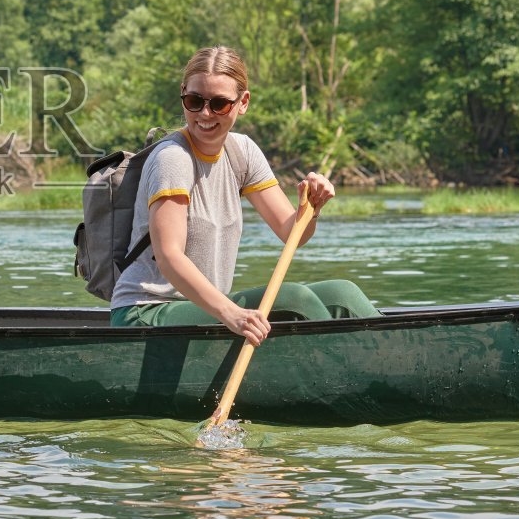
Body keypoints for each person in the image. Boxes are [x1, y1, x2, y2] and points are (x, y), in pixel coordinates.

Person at [110, 45, 379, 341]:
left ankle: (388, 357)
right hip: (148, 312)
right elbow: (169, 257)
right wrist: (232, 314)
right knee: (293, 300)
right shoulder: (172, 158)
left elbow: (294, 234)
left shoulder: (243, 152)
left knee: (343, 294)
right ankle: (346, 372)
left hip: (205, 309)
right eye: (194, 101)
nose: (205, 114)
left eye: (220, 104)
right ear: (183, 94)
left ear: (243, 102)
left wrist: (311, 207)